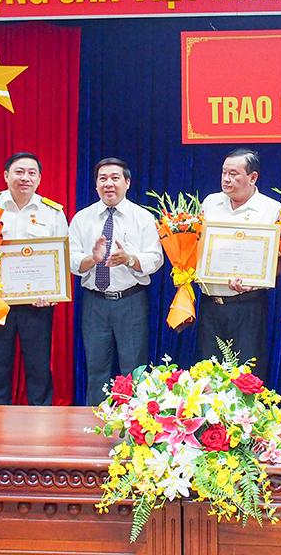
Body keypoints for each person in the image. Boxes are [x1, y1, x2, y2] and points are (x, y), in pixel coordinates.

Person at [69, 157, 163, 405]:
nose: (108, 184)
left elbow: (156, 259)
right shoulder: (82, 218)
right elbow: (70, 260)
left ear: (127, 182)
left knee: (134, 370)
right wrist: (92, 259)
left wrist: (129, 259)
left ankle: (135, 423)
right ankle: (94, 421)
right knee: (96, 369)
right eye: (102, 179)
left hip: (130, 302)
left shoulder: (142, 217)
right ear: (96, 185)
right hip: (94, 303)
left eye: (114, 178)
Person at [0, 152, 68, 406]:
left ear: (39, 178)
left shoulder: (52, 212)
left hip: (37, 303)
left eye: (31, 173)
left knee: (38, 367)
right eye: (19, 172)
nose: (25, 178)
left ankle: (41, 422)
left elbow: (62, 256)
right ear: (6, 175)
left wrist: (52, 292)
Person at [198, 149, 281, 374]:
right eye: (224, 172)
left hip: (248, 306)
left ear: (252, 177)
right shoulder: (210, 203)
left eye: (233, 174)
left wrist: (256, 280)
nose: (226, 179)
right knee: (208, 376)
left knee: (247, 376)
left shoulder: (271, 210)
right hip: (210, 305)